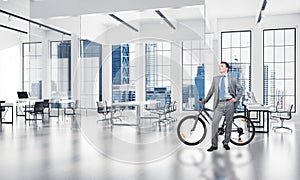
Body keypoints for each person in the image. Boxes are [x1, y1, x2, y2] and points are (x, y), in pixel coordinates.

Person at [200, 61, 243, 151]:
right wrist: (205, 100)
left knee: (228, 124)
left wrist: (235, 99)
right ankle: (214, 145)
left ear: (226, 68)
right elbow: (211, 91)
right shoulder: (216, 79)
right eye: (219, 66)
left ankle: (226, 142)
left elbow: (240, 89)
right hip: (219, 104)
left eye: (222, 66)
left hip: (229, 103)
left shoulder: (233, 78)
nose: (220, 68)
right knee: (215, 123)